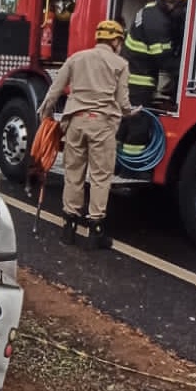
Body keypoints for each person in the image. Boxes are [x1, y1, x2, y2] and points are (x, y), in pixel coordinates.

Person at [37, 20, 133, 250]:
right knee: (100, 177)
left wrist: (46, 116)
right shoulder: (120, 63)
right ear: (116, 40)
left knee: (73, 174)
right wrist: (131, 112)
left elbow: (55, 91)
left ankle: (68, 228)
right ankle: (95, 232)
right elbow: (122, 102)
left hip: (75, 122)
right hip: (102, 124)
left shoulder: (76, 58)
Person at [123, 0, 188, 107]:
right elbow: (165, 60)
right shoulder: (156, 23)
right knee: (138, 124)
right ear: (171, 1)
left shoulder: (151, 9)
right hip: (139, 83)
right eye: (182, 5)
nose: (183, 10)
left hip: (133, 78)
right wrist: (186, 73)